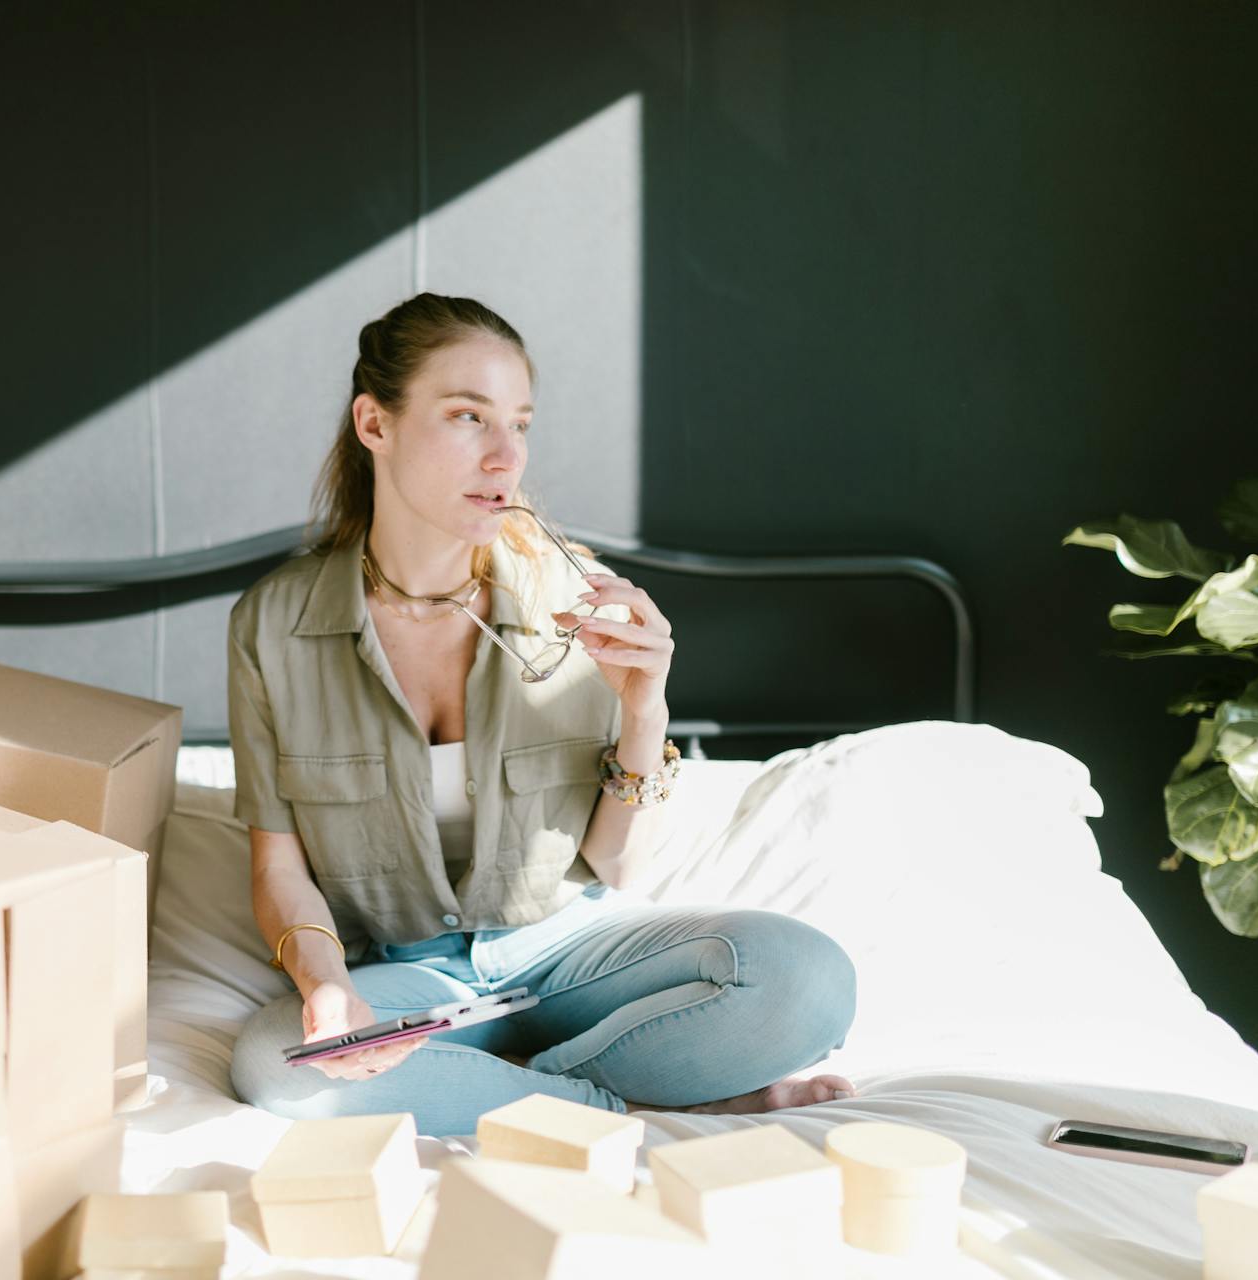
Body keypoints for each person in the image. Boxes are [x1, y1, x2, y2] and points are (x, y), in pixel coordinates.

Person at [225, 292, 856, 1137]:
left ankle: (509, 1091)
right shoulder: (273, 624)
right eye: (467, 417)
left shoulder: (575, 601)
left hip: (569, 949)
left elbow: (617, 867)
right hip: (406, 976)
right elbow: (278, 868)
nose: (504, 456)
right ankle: (632, 1100)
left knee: (807, 977)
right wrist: (325, 984)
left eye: (519, 424)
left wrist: (644, 710)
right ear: (375, 424)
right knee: (275, 1067)